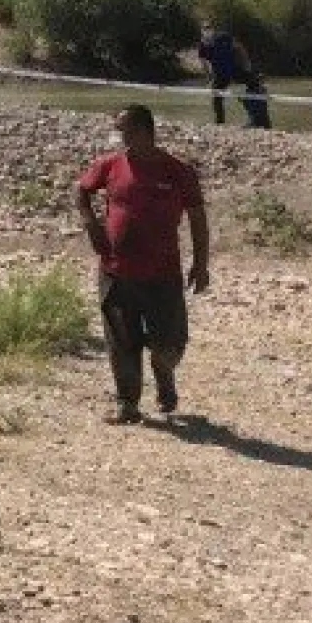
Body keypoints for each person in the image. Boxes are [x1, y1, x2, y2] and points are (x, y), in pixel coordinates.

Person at [73, 104, 210, 425]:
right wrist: (91, 224)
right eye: (118, 132)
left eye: (125, 131)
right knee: (121, 340)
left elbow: (198, 219)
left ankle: (164, 374)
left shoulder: (177, 171)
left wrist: (201, 264)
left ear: (144, 131)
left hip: (163, 274)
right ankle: (127, 404)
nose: (120, 138)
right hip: (116, 271)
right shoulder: (110, 165)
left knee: (170, 343)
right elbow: (81, 189)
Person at [196, 23, 254, 125]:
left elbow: (240, 48)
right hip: (220, 74)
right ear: (202, 32)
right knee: (216, 97)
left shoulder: (224, 36)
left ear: (213, 29)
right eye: (205, 29)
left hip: (235, 68)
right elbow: (203, 63)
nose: (207, 31)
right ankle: (220, 123)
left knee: (254, 85)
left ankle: (254, 117)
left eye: (209, 28)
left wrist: (247, 64)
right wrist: (209, 77)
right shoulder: (202, 46)